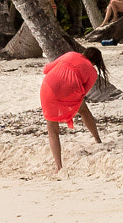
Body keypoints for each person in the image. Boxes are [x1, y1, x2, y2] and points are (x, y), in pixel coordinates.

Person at [40, 45, 104, 173]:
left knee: (52, 130)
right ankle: (98, 139)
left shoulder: (70, 54)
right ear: (95, 62)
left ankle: (59, 166)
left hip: (48, 88)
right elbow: (83, 93)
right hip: (69, 93)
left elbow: (46, 69)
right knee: (84, 110)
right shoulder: (92, 72)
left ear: (84, 53)